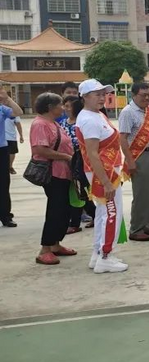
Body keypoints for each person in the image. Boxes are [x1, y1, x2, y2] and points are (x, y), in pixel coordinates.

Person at [76, 79, 129, 274]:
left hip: (108, 170)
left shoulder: (97, 115)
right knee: (111, 213)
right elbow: (92, 153)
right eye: (96, 94)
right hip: (103, 173)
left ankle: (98, 254)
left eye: (103, 94)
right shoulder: (89, 120)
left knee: (102, 213)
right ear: (85, 97)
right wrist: (106, 183)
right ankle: (106, 255)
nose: (102, 97)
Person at [29, 93, 76, 265]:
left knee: (64, 210)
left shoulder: (53, 123)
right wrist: (66, 157)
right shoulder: (40, 124)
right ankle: (45, 249)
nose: (63, 108)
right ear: (50, 107)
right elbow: (40, 150)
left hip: (62, 173)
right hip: (53, 174)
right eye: (60, 105)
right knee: (55, 210)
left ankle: (56, 244)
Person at [118, 82, 149, 241]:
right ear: (133, 95)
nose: (147, 98)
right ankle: (136, 228)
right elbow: (122, 138)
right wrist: (130, 161)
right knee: (141, 194)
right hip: (140, 156)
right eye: (143, 95)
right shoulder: (128, 112)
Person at [59, 95, 96, 233]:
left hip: (80, 160)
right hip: (66, 160)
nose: (65, 109)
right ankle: (95, 215)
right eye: (64, 106)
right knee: (75, 191)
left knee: (80, 190)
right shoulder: (63, 122)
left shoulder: (82, 122)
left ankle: (75, 223)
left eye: (68, 106)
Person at [0, 86, 23, 228]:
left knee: (3, 184)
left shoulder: (2, 108)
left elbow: (18, 112)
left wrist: (7, 98)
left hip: (1, 149)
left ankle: (5, 216)